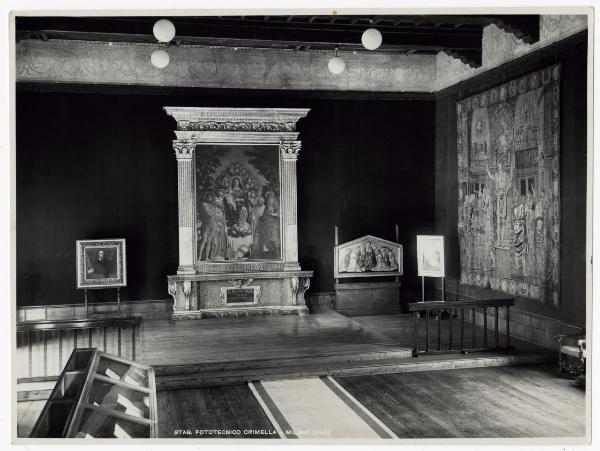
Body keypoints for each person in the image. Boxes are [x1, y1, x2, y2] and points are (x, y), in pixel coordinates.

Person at [197, 191, 220, 261]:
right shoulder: (204, 204)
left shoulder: (212, 205)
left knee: (209, 242)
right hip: (206, 225)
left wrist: (217, 225)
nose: (210, 198)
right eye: (209, 196)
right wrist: (216, 211)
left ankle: (206, 257)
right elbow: (209, 214)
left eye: (211, 197)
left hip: (213, 225)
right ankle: (199, 257)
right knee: (204, 241)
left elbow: (215, 217)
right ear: (206, 197)